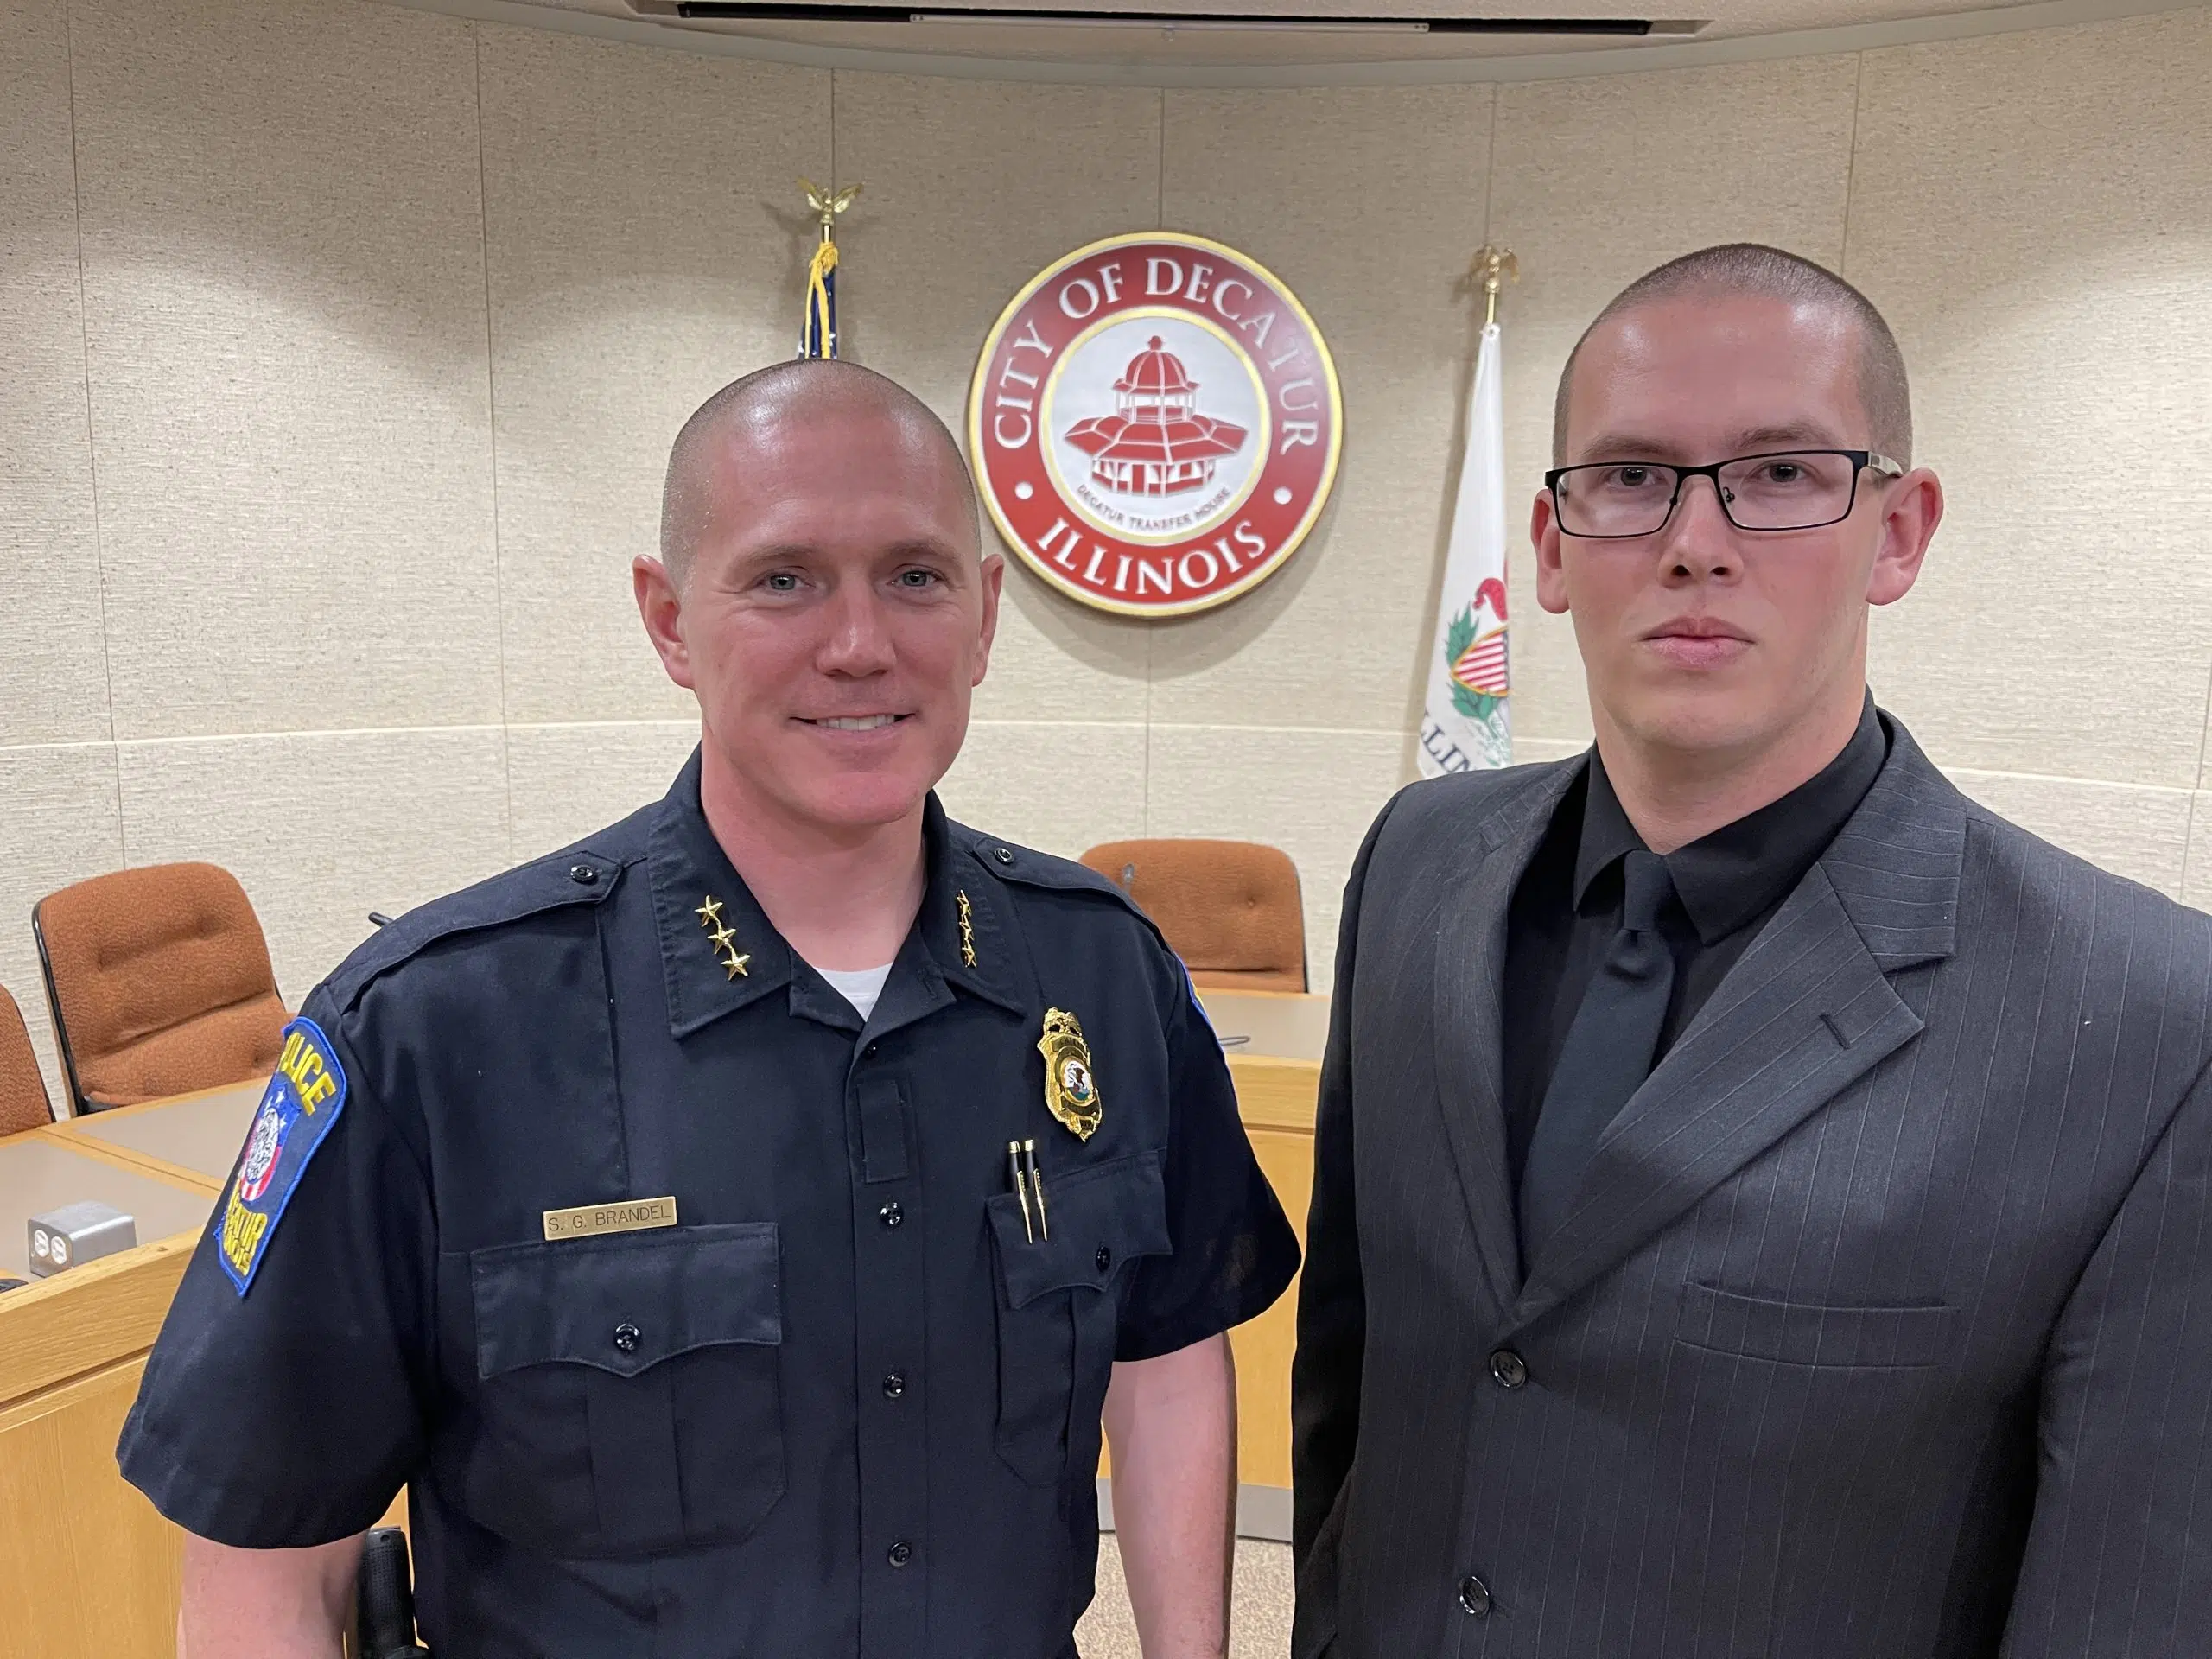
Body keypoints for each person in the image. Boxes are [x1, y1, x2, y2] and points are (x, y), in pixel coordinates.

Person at [118, 359, 1300, 1658]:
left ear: (984, 617)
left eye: (915, 575)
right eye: (785, 578)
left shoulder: (1105, 977)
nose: (860, 643)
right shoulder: (431, 1032)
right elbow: (266, 1567)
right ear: (670, 620)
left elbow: (1166, 1357)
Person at [1291, 243, 2212, 1658]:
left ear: (1899, 534)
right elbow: (1357, 1391)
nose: (1695, 541)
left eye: (1781, 474)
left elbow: (2127, 1597)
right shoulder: (1419, 865)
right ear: (1552, 546)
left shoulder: (2147, 1025)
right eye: (1630, 475)